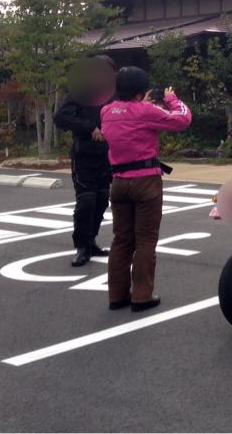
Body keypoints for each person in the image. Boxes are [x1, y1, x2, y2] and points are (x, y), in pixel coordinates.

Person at [100, 67, 192, 312]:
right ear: (140, 91)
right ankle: (142, 296)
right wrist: (171, 98)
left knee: (121, 239)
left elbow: (127, 112)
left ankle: (117, 295)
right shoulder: (146, 111)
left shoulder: (106, 111)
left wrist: (144, 102)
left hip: (118, 182)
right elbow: (182, 119)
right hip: (145, 182)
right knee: (146, 240)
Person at [54, 55, 116, 267]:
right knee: (86, 201)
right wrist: (89, 127)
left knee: (102, 200)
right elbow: (60, 117)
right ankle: (81, 246)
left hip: (107, 155)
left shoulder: (115, 94)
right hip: (84, 155)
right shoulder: (81, 92)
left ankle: (91, 241)